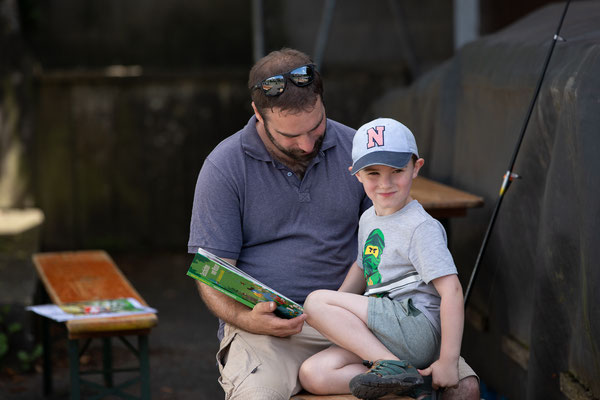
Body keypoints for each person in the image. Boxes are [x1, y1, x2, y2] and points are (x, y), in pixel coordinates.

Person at [188, 48, 480, 400]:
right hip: (269, 335)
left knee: (462, 387)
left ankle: (395, 371)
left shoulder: (358, 152)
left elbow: (390, 238)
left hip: (365, 319)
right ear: (258, 115)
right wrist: (249, 319)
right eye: (290, 136)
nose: (308, 143)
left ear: (322, 101)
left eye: (316, 126)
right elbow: (213, 275)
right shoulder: (223, 167)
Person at [298, 117, 466, 399]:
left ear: (416, 168)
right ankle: (411, 383)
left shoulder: (420, 227)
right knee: (314, 374)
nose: (385, 184)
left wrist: (449, 360)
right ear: (356, 174)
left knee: (316, 301)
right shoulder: (368, 218)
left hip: (415, 328)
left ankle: (393, 367)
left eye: (397, 170)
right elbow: (364, 267)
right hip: (384, 333)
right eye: (373, 173)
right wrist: (331, 317)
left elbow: (452, 291)